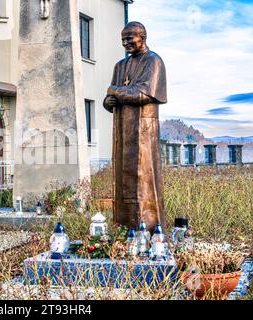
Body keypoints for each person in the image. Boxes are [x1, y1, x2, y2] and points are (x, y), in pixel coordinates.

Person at [103, 21, 167, 233]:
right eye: (123, 39)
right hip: (122, 130)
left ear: (143, 37)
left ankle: (150, 232)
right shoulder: (120, 66)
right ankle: (124, 231)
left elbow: (143, 94)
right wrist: (108, 101)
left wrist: (115, 92)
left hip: (144, 132)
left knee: (144, 181)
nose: (126, 43)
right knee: (122, 182)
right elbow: (109, 98)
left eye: (130, 38)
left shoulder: (154, 61)